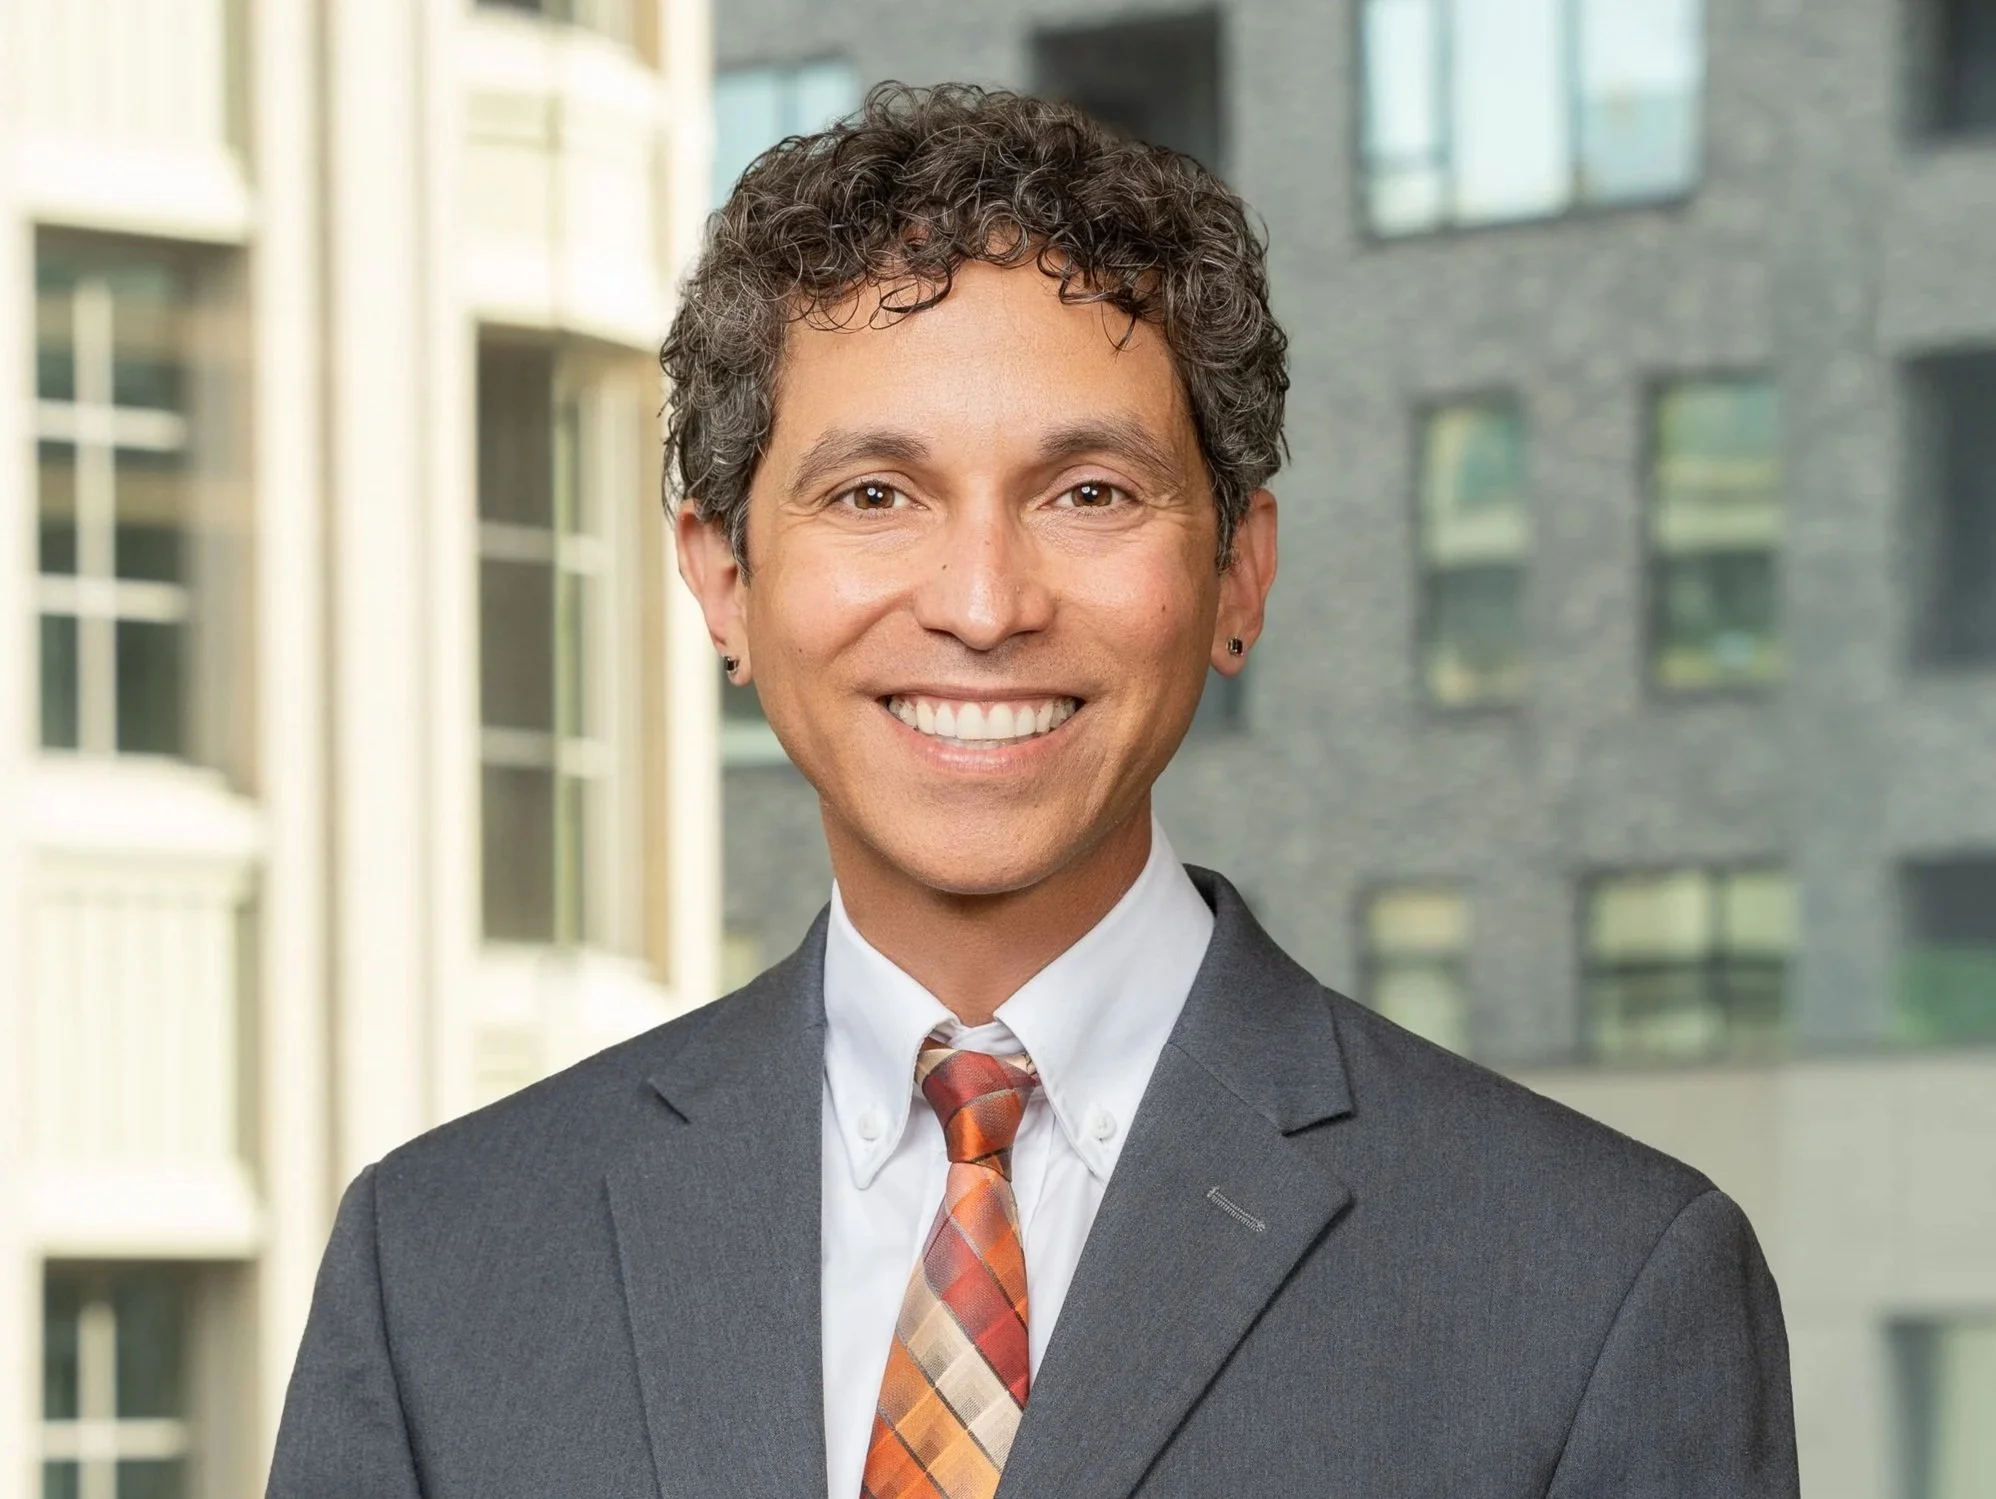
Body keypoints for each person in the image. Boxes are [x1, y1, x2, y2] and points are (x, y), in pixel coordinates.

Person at [269, 84, 1798, 1498]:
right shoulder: (443, 1267)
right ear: (724, 581)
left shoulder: (1600, 1285)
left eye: (1089, 493)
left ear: (1236, 573)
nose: (986, 602)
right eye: (876, 494)